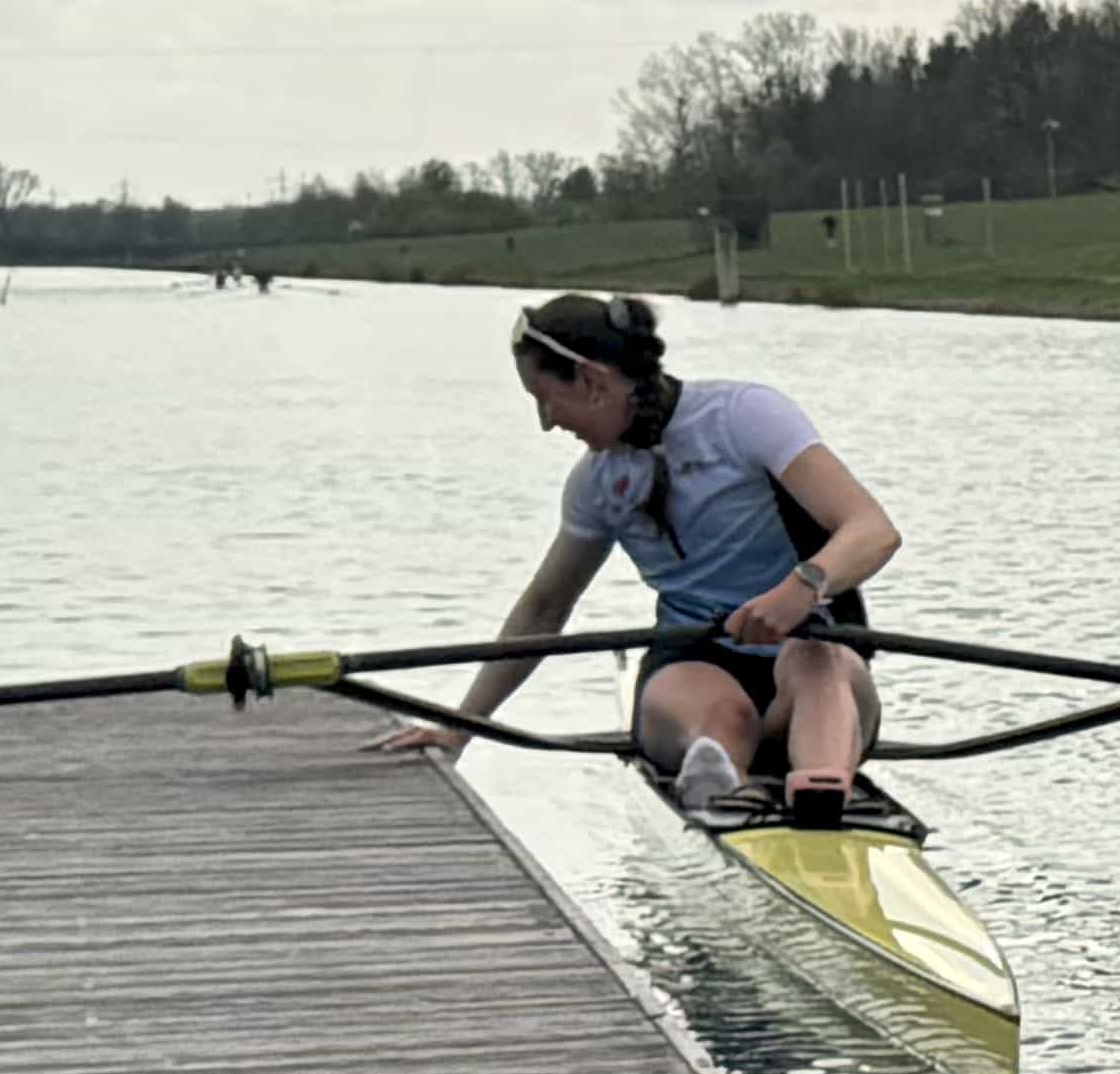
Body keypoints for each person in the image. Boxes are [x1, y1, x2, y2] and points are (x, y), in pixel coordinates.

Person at [381, 292, 900, 827]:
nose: (546, 422)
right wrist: (461, 727)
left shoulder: (746, 416)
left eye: (546, 398)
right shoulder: (596, 485)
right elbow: (544, 609)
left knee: (818, 660)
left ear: (591, 380)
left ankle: (820, 793)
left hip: (810, 660)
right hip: (693, 666)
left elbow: (873, 530)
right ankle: (729, 788)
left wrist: (801, 587)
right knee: (724, 716)